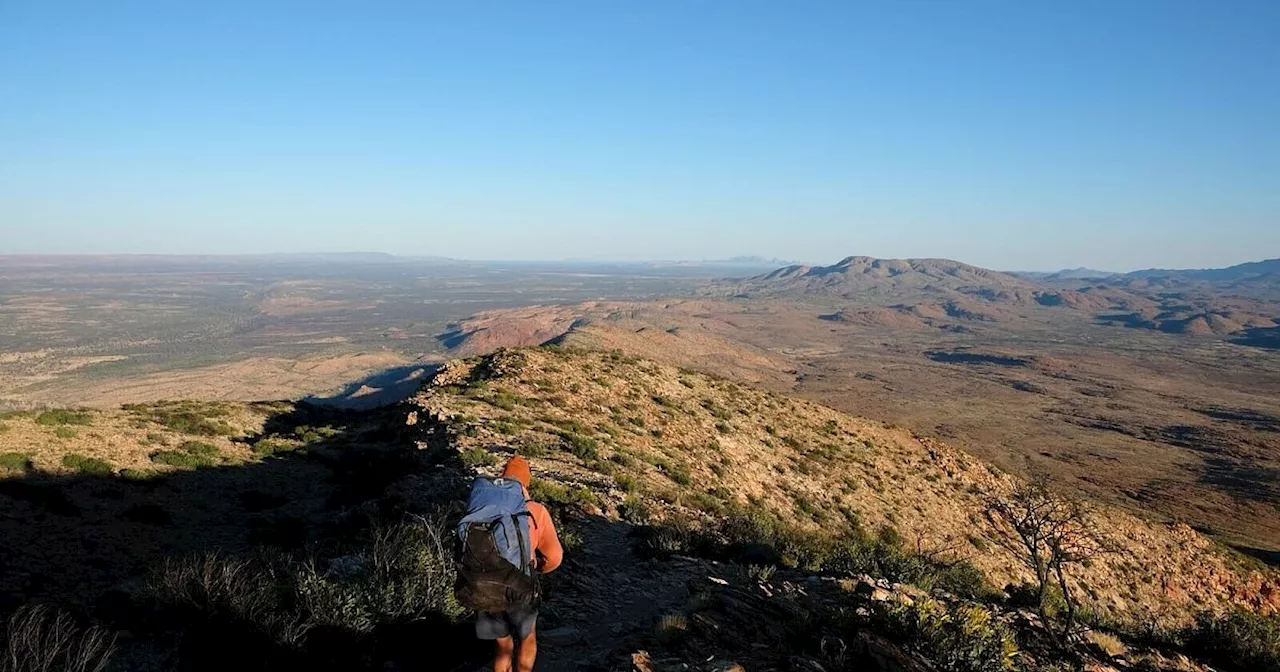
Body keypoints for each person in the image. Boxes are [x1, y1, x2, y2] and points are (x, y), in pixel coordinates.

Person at [475, 455, 563, 672]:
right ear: (526, 482)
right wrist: (538, 570)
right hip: (519, 582)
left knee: (502, 646)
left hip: (484, 582)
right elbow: (555, 557)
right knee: (527, 637)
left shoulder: (484, 506)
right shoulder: (536, 511)